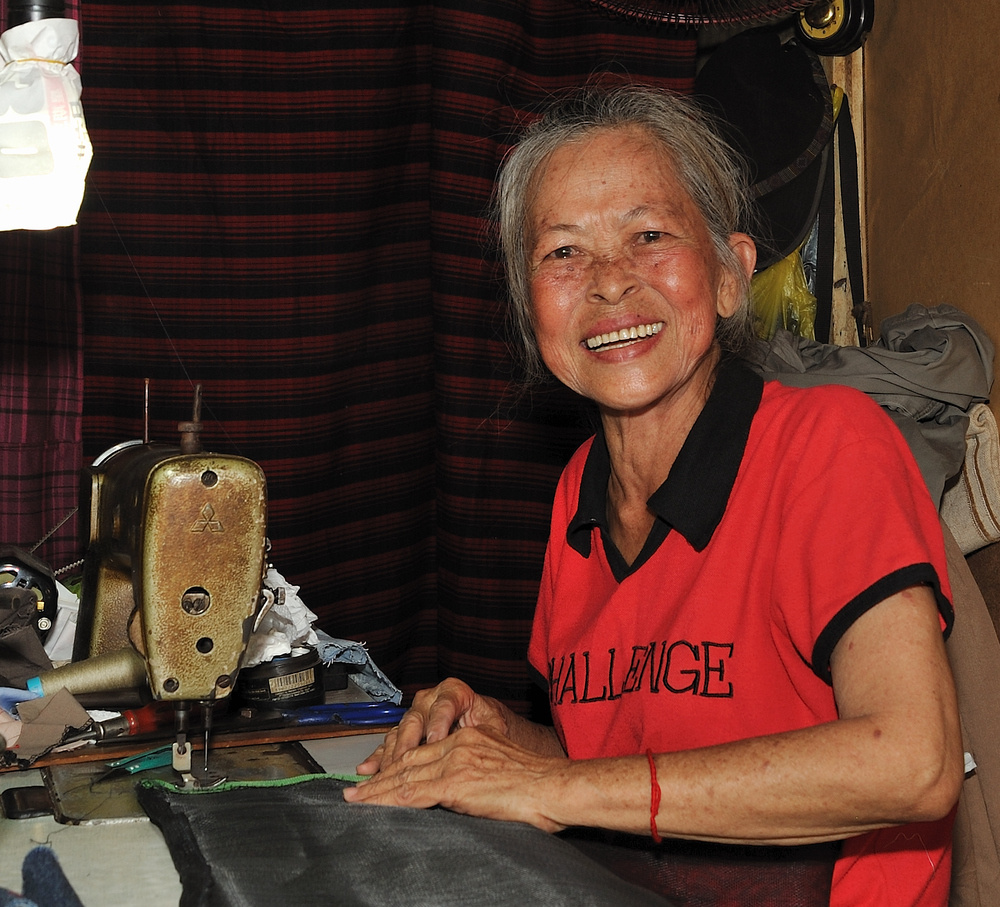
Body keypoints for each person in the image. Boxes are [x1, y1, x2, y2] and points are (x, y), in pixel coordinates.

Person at [343, 85, 964, 906]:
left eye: (649, 235)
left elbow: (912, 763)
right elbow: (619, 764)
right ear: (531, 315)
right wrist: (505, 739)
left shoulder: (828, 446)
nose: (608, 282)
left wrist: (548, 788)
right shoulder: (578, 495)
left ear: (731, 274)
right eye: (563, 252)